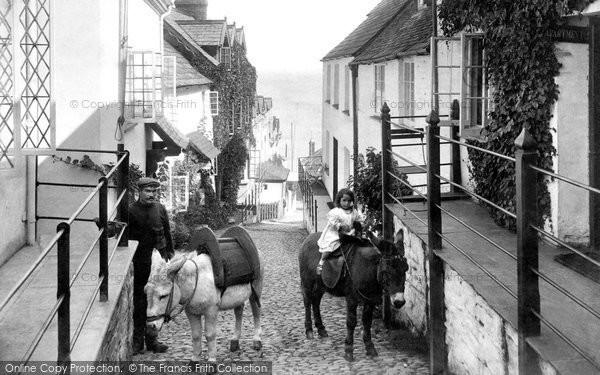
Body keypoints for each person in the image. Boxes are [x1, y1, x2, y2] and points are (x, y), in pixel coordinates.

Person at [128, 177, 174, 354]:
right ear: (139, 191)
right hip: (140, 263)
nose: (152, 195)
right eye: (148, 191)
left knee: (155, 304)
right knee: (140, 303)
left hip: (159, 263)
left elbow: (167, 232)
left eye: (154, 191)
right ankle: (138, 342)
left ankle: (153, 341)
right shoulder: (130, 211)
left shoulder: (160, 209)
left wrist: (170, 254)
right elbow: (122, 234)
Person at [316, 188, 365, 275]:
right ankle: (321, 263)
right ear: (339, 200)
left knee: (360, 243)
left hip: (349, 233)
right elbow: (332, 223)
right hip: (335, 233)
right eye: (344, 200)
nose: (346, 203)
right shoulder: (336, 212)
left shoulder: (353, 211)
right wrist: (340, 226)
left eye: (349, 201)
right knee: (330, 247)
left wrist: (363, 221)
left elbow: (358, 218)